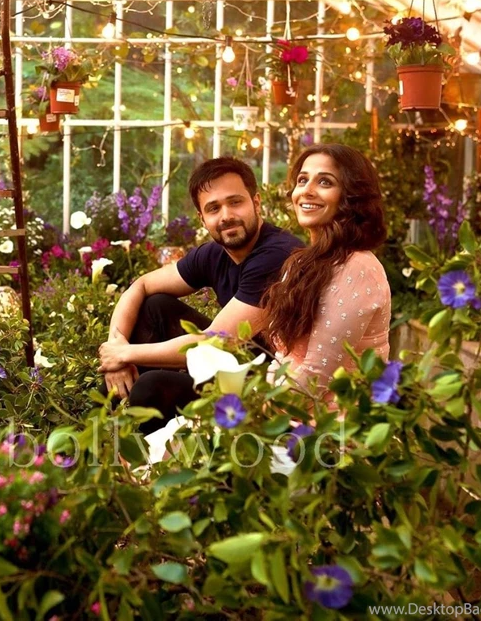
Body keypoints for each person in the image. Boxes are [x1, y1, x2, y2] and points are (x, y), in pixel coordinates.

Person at [98, 156, 304, 432]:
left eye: (235, 202)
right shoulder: (214, 254)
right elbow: (141, 285)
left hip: (267, 384)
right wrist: (115, 348)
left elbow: (216, 343)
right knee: (155, 306)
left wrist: (126, 354)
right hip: (235, 362)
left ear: (256, 203)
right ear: (202, 218)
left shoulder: (277, 253)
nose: (226, 216)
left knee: (152, 387)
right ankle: (103, 428)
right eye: (213, 208)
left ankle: (138, 449)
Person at [260, 144, 391, 391]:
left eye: (325, 182)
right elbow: (282, 357)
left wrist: (259, 407)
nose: (307, 191)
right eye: (302, 180)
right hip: (286, 399)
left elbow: (316, 378)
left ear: (352, 196)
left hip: (333, 412)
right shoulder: (302, 262)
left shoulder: (358, 268)